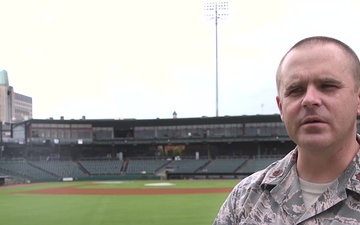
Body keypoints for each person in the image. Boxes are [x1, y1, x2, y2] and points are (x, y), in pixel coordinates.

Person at [212, 36, 360, 225]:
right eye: (296, 90)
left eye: (327, 86)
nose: (309, 99)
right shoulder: (244, 199)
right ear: (281, 107)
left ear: (358, 99)